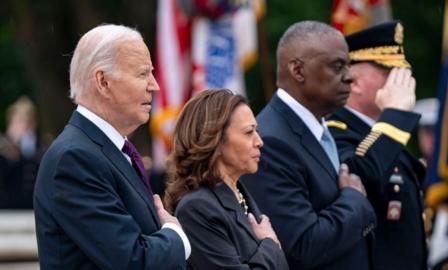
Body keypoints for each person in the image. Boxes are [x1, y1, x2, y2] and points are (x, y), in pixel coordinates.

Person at [33, 24, 190, 270]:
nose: (155, 85)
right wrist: (176, 235)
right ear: (103, 81)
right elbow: (134, 261)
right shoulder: (74, 159)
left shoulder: (105, 150)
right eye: (142, 74)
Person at [241, 21, 376, 270]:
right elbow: (301, 247)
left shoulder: (320, 129)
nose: (350, 76)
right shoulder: (270, 142)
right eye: (337, 66)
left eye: (348, 65)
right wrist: (355, 200)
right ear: (298, 70)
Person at [327, 21, 427, 270]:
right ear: (355, 81)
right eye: (389, 72)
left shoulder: (381, 132)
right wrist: (394, 115)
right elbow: (360, 173)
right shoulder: (333, 132)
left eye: (402, 72)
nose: (401, 81)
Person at [164, 89, 288, 270]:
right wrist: (270, 244)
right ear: (215, 139)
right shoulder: (196, 209)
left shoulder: (240, 193)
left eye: (257, 131)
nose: (259, 141)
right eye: (248, 132)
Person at [0, 96, 43, 208]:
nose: (24, 126)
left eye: (28, 122)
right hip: (7, 210)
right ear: (11, 123)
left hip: (32, 208)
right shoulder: (3, 147)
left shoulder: (40, 148)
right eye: (20, 121)